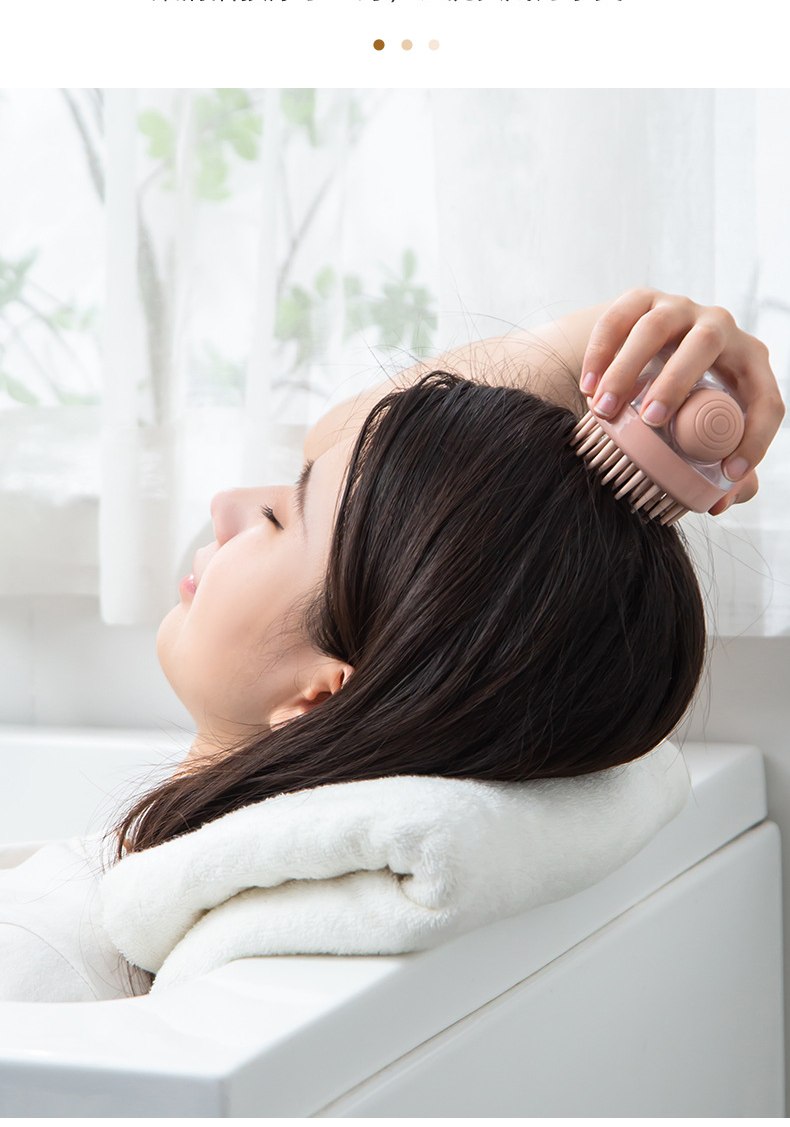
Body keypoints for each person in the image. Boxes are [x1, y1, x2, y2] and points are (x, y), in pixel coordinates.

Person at [0, 288, 784, 1002]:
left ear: (320, 692)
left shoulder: (40, 955)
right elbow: (348, 458)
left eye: (276, 519)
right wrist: (607, 352)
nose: (226, 502)